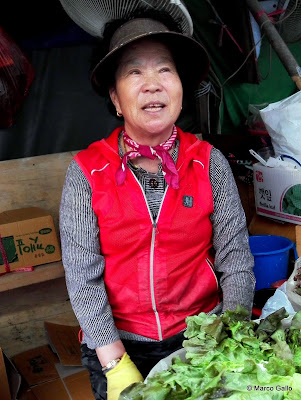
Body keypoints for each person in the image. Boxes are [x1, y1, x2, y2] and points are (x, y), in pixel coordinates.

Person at [59, 11, 255, 400]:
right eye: (134, 73)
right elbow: (83, 275)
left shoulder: (209, 162)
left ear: (181, 90)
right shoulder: (87, 171)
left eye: (165, 70)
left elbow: (235, 258)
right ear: (115, 98)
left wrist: (229, 334)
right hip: (118, 342)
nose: (152, 85)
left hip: (200, 334)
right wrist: (114, 360)